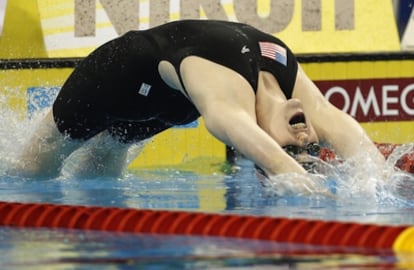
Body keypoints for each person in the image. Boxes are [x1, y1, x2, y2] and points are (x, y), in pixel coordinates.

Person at [15, 20, 385, 189]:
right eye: (309, 146)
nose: (307, 138)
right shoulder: (267, 72)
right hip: (110, 81)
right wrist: (292, 172)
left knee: (99, 176)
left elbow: (341, 128)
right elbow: (228, 124)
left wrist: (377, 177)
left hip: (166, 106)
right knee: (34, 172)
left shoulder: (245, 96)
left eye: (296, 148)